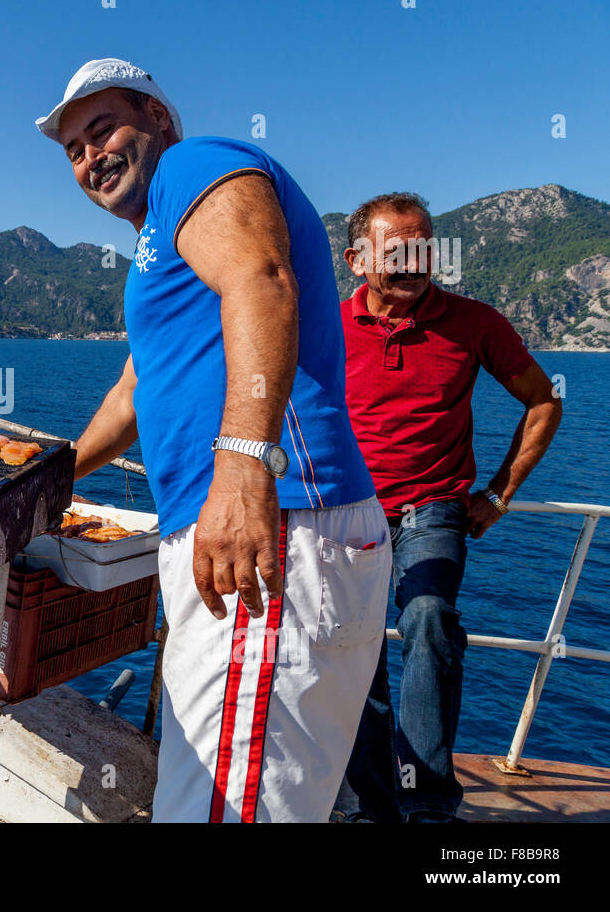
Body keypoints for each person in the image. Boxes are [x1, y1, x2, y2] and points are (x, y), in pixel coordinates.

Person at [37, 58, 391, 822]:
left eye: (104, 130)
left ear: (159, 120)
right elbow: (135, 393)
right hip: (249, 536)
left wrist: (241, 470)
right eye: (73, 149)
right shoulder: (156, 249)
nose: (90, 157)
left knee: (223, 808)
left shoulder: (194, 167)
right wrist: (51, 476)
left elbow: (262, 279)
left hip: (272, 533)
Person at [335, 193, 563, 823]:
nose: (414, 263)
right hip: (348, 512)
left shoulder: (473, 322)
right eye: (396, 251)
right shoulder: (324, 324)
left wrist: (497, 494)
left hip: (432, 508)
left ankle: (431, 807)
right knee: (357, 652)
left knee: (429, 619)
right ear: (357, 259)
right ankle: (375, 807)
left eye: (424, 249)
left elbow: (544, 401)